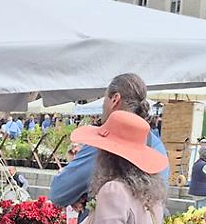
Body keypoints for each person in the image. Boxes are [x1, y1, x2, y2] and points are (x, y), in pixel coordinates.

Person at [50, 73, 169, 209]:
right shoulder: (158, 148)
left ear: (115, 99)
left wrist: (79, 195)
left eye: (104, 99)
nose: (102, 106)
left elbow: (59, 193)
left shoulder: (104, 143)